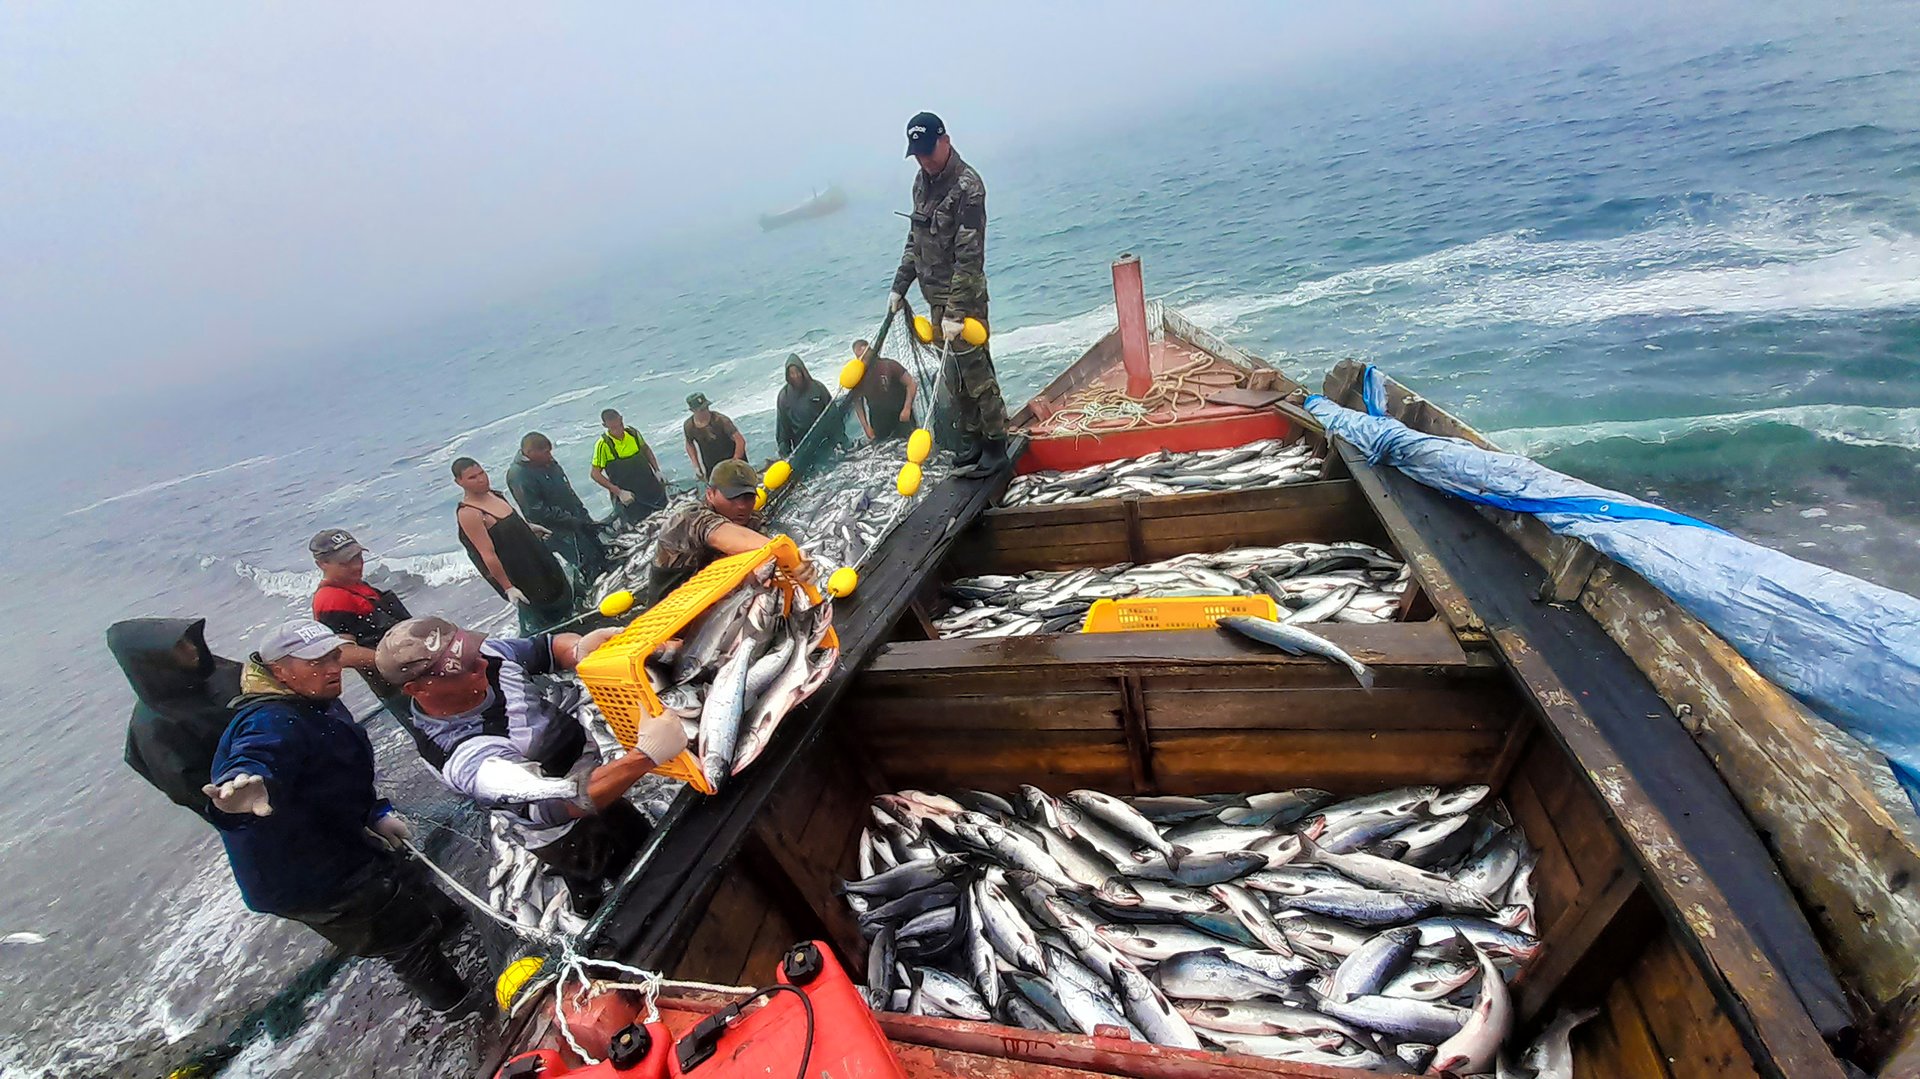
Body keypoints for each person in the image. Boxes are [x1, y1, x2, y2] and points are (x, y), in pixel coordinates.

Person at [204, 620, 468, 1011]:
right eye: (315, 662)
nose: (331, 669)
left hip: (338, 835)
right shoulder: (271, 721)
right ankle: (459, 1008)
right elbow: (257, 753)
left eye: (332, 657)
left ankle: (455, 929)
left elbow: (339, 774)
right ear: (279, 671)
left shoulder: (315, 695)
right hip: (306, 874)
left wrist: (376, 812)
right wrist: (242, 785)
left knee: (412, 883)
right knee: (403, 936)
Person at [376, 616, 687, 916]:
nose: (482, 663)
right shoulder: (466, 756)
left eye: (473, 651)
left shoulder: (485, 656)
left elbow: (544, 649)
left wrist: (578, 650)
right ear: (417, 689)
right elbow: (561, 803)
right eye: (465, 668)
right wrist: (645, 756)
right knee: (608, 878)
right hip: (561, 832)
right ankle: (594, 911)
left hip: (597, 779)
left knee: (643, 842)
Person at [887, 111, 1007, 478]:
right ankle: (972, 440)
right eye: (918, 153)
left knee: (976, 373)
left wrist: (956, 311)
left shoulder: (969, 187)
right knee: (953, 377)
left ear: (946, 141)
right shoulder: (921, 183)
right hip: (935, 300)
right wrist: (899, 285)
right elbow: (916, 239)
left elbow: (970, 255)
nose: (924, 159)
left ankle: (996, 443)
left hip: (964, 300)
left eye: (928, 150)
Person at [111, 617, 241, 820]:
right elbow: (199, 793)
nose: (192, 649)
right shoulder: (156, 730)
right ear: (154, 659)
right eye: (179, 647)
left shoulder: (209, 669)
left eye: (188, 640)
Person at [644, 459, 811, 603]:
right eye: (732, 497)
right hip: (669, 619)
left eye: (748, 497)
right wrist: (787, 551)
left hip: (720, 611)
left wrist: (800, 567)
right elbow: (721, 535)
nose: (741, 506)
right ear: (710, 494)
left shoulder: (753, 522)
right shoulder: (688, 519)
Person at [452, 456, 574, 635]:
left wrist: (530, 528)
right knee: (543, 615)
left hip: (538, 559)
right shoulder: (470, 513)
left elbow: (513, 523)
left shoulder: (496, 495)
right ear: (459, 482)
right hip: (520, 574)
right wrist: (508, 588)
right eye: (472, 477)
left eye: (482, 473)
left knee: (561, 594)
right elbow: (488, 554)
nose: (481, 479)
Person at [309, 528, 414, 722]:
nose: (356, 566)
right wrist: (399, 660)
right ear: (322, 564)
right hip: (397, 686)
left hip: (412, 675)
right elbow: (343, 654)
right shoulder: (331, 600)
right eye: (346, 562)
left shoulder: (355, 585)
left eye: (358, 557)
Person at [508, 433, 612, 583]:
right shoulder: (519, 475)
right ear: (530, 453)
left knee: (600, 553)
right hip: (559, 532)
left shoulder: (548, 462)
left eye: (549, 451)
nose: (550, 455)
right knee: (586, 566)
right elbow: (536, 511)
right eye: (545, 452)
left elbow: (567, 490)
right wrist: (570, 521)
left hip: (577, 519)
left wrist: (583, 515)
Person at [587, 410, 669, 525]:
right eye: (614, 428)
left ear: (621, 418)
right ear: (605, 426)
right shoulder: (603, 445)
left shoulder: (633, 433)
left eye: (620, 425)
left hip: (651, 488)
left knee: (667, 519)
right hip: (630, 498)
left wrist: (657, 471)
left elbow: (646, 449)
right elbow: (595, 474)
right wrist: (619, 492)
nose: (618, 430)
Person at [850, 339, 918, 442]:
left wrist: (907, 408)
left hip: (901, 416)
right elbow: (857, 402)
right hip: (879, 422)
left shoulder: (889, 365)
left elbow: (911, 384)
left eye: (863, 355)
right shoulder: (858, 377)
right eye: (858, 356)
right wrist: (866, 427)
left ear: (870, 350)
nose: (862, 359)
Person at [774, 354, 833, 458]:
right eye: (792, 373)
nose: (796, 376)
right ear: (788, 375)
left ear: (803, 371)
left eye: (797, 372)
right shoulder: (784, 396)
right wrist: (785, 453)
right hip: (802, 447)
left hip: (825, 440)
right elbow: (782, 427)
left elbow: (832, 413)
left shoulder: (818, 388)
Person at [682, 393, 746, 479]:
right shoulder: (689, 426)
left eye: (706, 407)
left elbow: (740, 441)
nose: (705, 411)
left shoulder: (721, 420)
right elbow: (689, 444)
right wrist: (696, 466)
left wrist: (735, 461)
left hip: (733, 460)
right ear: (692, 410)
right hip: (712, 466)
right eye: (701, 410)